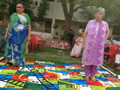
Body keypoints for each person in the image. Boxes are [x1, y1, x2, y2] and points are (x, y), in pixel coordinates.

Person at [82, 7, 110, 81]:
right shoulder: (90, 22)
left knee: (95, 61)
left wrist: (105, 39)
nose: (98, 15)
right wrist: (83, 43)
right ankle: (87, 75)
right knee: (88, 60)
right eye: (97, 13)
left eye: (100, 14)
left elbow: (108, 31)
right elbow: (85, 32)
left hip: (98, 46)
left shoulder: (105, 24)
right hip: (89, 45)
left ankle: (92, 75)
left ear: (102, 15)